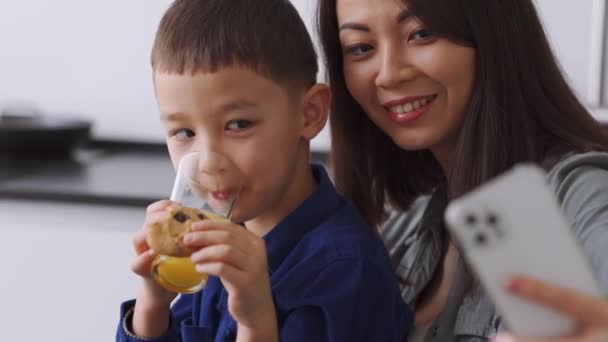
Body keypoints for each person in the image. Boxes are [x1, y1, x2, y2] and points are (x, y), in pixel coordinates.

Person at [115, 0, 411, 341]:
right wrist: (153, 304)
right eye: (184, 133)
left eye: (238, 124)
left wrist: (255, 321)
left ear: (310, 113)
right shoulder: (215, 241)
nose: (209, 161)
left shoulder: (344, 269)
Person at [317, 0, 608, 340]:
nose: (390, 73)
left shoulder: (583, 193)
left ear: (494, 36)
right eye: (361, 48)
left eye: (422, 33)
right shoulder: (407, 224)